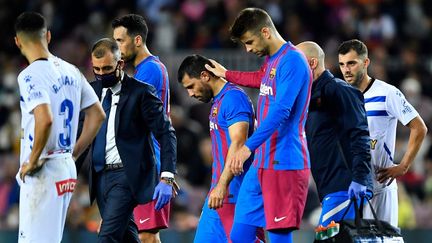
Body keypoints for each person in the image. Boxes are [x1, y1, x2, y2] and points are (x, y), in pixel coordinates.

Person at [205, 8, 311, 243]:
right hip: (261, 163)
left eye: (250, 42)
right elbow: (258, 79)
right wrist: (227, 74)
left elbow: (281, 111)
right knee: (240, 235)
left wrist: (247, 147)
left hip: (284, 162)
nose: (248, 49)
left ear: (266, 32)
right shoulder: (272, 61)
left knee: (277, 235)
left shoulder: (293, 60)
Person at [14, 12, 105, 243]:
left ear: (17, 41)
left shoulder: (29, 75)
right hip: (65, 165)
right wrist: (74, 152)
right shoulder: (71, 71)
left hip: (44, 168)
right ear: (49, 36)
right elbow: (97, 114)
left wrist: (33, 160)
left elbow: (45, 119)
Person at [78, 38, 177, 242]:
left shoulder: (140, 92)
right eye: (97, 69)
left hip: (127, 176)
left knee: (107, 237)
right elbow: (83, 135)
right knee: (127, 238)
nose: (101, 74)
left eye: (107, 68)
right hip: (99, 176)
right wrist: (69, 169)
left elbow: (166, 132)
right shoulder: (91, 92)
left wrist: (167, 175)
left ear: (120, 64)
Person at [338, 39, 428, 227]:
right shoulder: (341, 96)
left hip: (381, 188)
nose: (346, 69)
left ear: (366, 63)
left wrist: (403, 166)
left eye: (352, 63)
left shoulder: (387, 93)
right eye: (342, 64)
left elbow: (419, 127)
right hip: (351, 188)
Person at [178, 54, 264, 243]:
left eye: (191, 86)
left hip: (235, 193)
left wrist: (222, 185)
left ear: (205, 75)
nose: (190, 94)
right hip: (219, 193)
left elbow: (238, 143)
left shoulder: (233, 98)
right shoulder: (219, 101)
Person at [297, 41, 373, 227]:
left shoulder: (339, 90)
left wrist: (360, 178)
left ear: (312, 63)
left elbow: (360, 136)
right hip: (331, 188)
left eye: (296, 63)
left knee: (326, 239)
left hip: (346, 187)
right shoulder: (312, 97)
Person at [112, 14, 171, 243]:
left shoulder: (149, 71)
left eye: (120, 41)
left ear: (137, 40)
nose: (116, 47)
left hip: (148, 164)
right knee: (139, 233)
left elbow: (129, 118)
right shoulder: (146, 70)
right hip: (145, 162)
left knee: (146, 235)